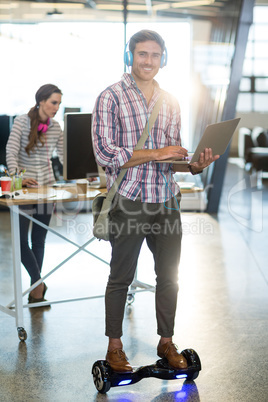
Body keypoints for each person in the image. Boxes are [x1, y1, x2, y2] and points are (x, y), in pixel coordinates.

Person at [92, 30, 219, 372]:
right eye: (142, 54)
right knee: (121, 276)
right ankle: (115, 347)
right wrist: (158, 152)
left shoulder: (171, 101)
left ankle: (166, 341)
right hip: (130, 198)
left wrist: (193, 165)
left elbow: (172, 157)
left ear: (163, 58)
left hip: (166, 201)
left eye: (155, 55)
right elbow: (106, 153)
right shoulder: (110, 97)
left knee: (169, 276)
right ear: (129, 55)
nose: (149, 61)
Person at [6, 84, 63, 304]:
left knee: (38, 240)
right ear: (41, 101)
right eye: (53, 102)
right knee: (21, 241)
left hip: (47, 188)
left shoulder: (56, 127)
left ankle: (35, 290)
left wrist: (81, 174)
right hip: (25, 189)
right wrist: (17, 177)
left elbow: (65, 155)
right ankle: (38, 283)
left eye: (58, 103)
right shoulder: (21, 121)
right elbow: (11, 151)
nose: (56, 107)